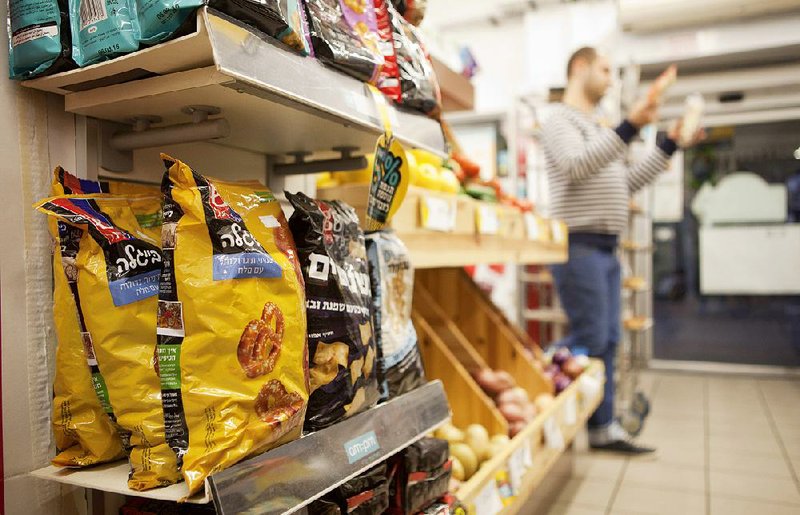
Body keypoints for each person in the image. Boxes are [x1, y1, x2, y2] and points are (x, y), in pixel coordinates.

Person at [541, 47, 703, 455]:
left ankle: (602, 426)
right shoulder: (560, 119)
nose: (611, 79)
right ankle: (536, 374)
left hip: (606, 248)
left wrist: (668, 145)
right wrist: (630, 126)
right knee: (591, 336)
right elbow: (576, 165)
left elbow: (626, 183)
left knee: (608, 339)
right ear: (579, 67)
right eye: (605, 70)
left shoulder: (599, 126)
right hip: (578, 244)